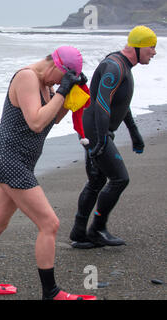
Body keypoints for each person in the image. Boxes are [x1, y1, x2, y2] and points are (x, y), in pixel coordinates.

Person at [0, 47, 96, 300]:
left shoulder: (46, 85)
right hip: (10, 160)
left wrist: (71, 94)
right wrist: (62, 90)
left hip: (21, 161)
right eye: (61, 77)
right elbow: (36, 121)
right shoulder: (27, 77)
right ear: (56, 65)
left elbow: (52, 119)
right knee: (50, 224)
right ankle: (51, 292)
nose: (58, 82)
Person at [69, 26, 157, 249]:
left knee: (97, 180)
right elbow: (101, 104)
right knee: (120, 179)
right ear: (137, 46)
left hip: (95, 131)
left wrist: (135, 134)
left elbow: (121, 105)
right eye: (151, 47)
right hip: (95, 131)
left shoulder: (122, 66)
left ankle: (79, 233)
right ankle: (97, 229)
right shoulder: (114, 67)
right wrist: (101, 139)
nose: (154, 52)